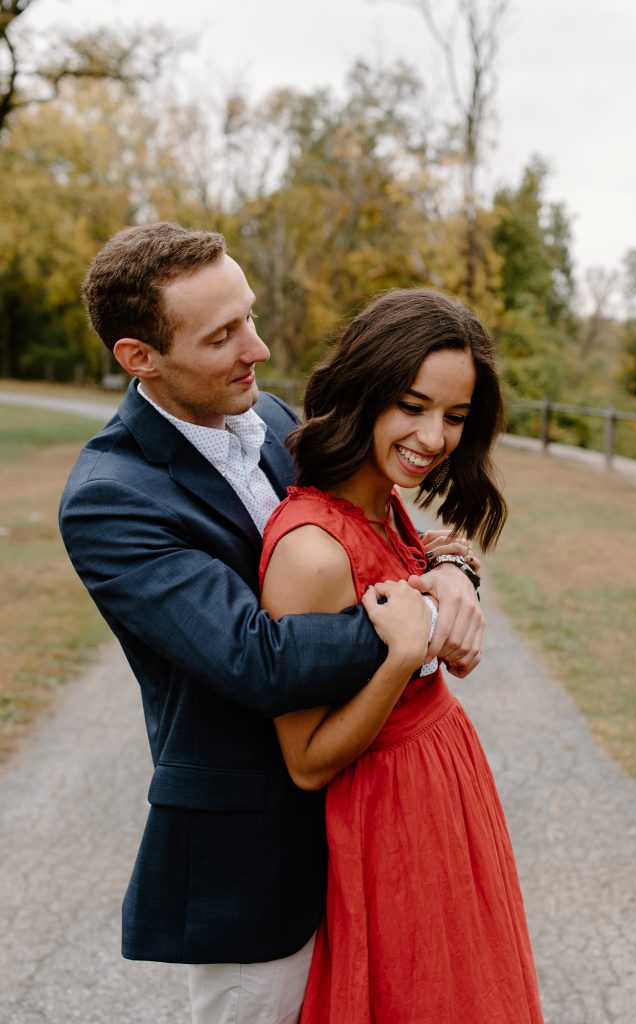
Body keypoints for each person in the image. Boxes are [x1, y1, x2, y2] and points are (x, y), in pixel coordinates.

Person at [58, 222, 485, 1024]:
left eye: (248, 316)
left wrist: (451, 568)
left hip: (369, 823)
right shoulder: (111, 499)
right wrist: (423, 617)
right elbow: (258, 661)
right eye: (222, 335)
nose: (256, 347)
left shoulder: (273, 420)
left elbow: (382, 532)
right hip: (251, 855)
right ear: (137, 357)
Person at [259, 288, 544, 1023]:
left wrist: (455, 567)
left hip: (445, 794)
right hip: (388, 822)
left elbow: (428, 561)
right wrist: (399, 659)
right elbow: (307, 759)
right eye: (412, 406)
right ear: (363, 391)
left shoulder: (383, 501)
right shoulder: (312, 552)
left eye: (454, 416)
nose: (434, 436)